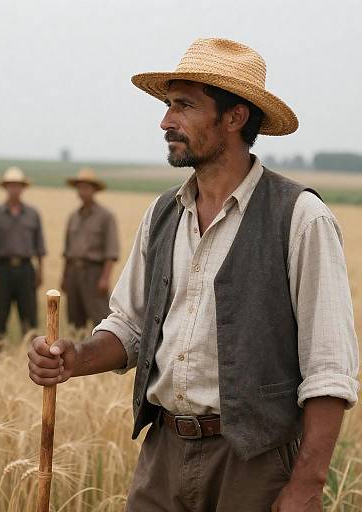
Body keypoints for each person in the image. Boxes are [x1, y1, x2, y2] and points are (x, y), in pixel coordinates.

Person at [28, 38, 359, 511]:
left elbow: (329, 368)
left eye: (184, 106)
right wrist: (73, 358)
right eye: (168, 105)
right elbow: (131, 327)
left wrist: (307, 483)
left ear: (234, 117)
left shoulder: (300, 217)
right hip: (163, 453)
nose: (166, 121)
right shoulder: (164, 213)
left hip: (254, 464)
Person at [0, 167, 46, 340]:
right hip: (2, 270)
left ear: (23, 188)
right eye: (10, 186)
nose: (14, 189)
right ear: (5, 188)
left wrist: (40, 271)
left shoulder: (33, 214)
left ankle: (32, 356)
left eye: (17, 186)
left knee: (29, 316)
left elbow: (39, 245)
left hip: (26, 270)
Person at [62, 168, 119, 328]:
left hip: (94, 273)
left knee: (100, 318)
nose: (82, 191)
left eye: (86, 187)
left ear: (94, 190)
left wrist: (105, 279)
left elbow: (111, 251)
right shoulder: (73, 216)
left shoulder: (105, 217)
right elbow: (67, 251)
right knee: (75, 319)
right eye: (79, 187)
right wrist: (65, 276)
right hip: (74, 273)